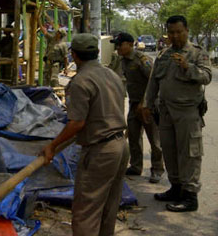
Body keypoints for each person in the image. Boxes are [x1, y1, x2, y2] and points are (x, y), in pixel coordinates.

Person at [41, 33, 129, 236]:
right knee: (108, 205)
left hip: (101, 151)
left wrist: (52, 146)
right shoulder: (111, 74)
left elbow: (77, 123)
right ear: (96, 53)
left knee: (86, 211)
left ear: (73, 55)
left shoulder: (80, 82)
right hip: (120, 145)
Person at [142, 15, 211, 212]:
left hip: (187, 112)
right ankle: (176, 188)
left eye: (178, 32)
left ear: (186, 31)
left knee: (189, 153)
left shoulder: (197, 53)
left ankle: (190, 196)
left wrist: (187, 67)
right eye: (171, 32)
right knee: (169, 151)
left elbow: (206, 76)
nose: (175, 36)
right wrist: (147, 104)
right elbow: (154, 81)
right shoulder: (164, 54)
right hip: (165, 112)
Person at [111, 32, 164, 183]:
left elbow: (154, 82)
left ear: (129, 44)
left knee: (155, 140)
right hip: (134, 104)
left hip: (149, 105)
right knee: (133, 136)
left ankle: (157, 169)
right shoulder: (123, 60)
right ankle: (135, 166)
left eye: (120, 45)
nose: (118, 48)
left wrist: (145, 103)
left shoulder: (142, 60)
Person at [39, 17, 69, 87]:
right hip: (48, 63)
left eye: (58, 33)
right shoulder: (51, 39)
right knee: (45, 79)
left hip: (55, 64)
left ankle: (55, 92)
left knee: (54, 79)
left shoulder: (62, 45)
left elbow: (65, 57)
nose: (56, 33)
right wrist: (39, 21)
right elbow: (44, 32)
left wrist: (66, 69)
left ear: (60, 35)